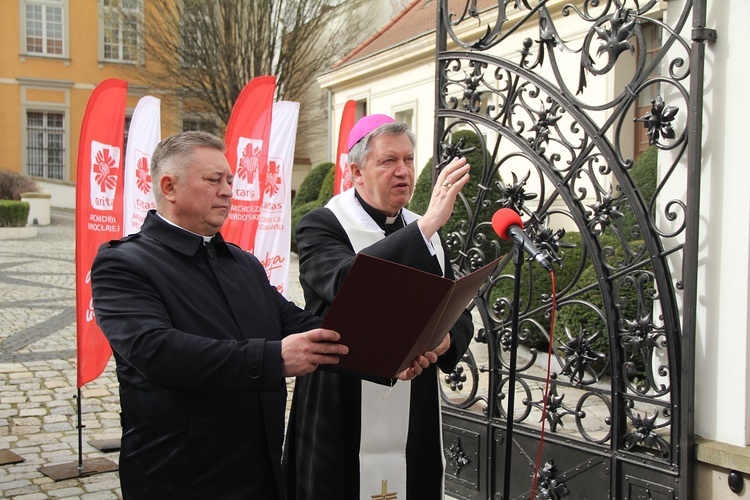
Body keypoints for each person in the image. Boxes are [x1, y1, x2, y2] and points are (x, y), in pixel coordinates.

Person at [90, 131, 348, 499]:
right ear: (169, 186)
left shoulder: (242, 263)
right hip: (180, 478)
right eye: (213, 180)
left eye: (229, 180)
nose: (228, 190)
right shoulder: (124, 263)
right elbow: (155, 349)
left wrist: (395, 347)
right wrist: (272, 357)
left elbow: (303, 326)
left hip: (260, 470)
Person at [283, 115, 474, 499]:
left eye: (408, 160)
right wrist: (424, 229)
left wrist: (445, 340)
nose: (403, 171)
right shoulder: (321, 224)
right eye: (388, 161)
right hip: (340, 395)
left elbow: (458, 308)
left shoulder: (426, 231)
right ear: (355, 171)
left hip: (413, 396)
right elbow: (346, 283)